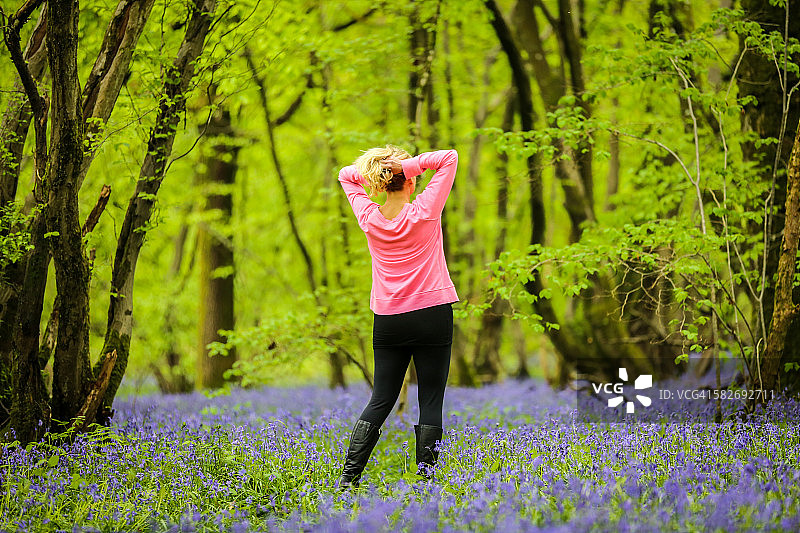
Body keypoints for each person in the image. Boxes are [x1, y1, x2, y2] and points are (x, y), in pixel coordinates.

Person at [335, 145, 459, 488]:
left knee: (381, 399)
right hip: (432, 313)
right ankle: (427, 483)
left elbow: (346, 174)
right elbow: (448, 157)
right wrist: (406, 165)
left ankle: (348, 479)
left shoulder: (369, 218)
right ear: (411, 181)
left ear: (381, 182)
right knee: (431, 399)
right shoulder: (425, 210)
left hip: (389, 319)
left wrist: (381, 170)